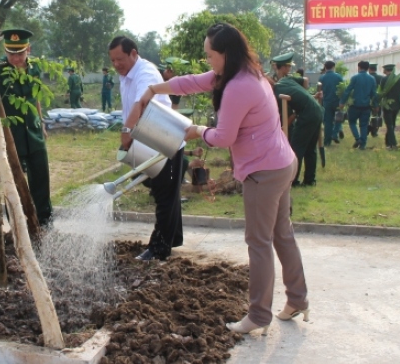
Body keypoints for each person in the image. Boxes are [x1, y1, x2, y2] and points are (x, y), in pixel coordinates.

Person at [140, 22, 308, 334]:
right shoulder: (244, 73)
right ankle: (298, 298)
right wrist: (155, 89)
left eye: (210, 55)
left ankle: (259, 315)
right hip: (282, 162)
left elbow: (223, 137)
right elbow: (191, 83)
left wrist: (197, 131)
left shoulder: (238, 86)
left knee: (259, 242)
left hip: (264, 172)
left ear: (226, 54)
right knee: (282, 233)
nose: (208, 62)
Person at [108, 35, 184, 261]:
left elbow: (142, 103)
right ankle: (174, 236)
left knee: (164, 196)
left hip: (165, 141)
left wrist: (126, 133)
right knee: (166, 192)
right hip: (151, 140)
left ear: (133, 53)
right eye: (112, 60)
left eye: (120, 59)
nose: (116, 65)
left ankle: (159, 249)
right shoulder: (127, 74)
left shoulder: (146, 72)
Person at [0, 29, 53, 226]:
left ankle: (45, 220)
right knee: (13, 181)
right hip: (11, 136)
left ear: (28, 49)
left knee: (41, 177)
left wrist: (42, 123)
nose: (15, 58)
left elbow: (36, 98)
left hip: (34, 132)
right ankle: (17, 221)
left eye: (20, 53)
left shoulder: (35, 70)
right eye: (11, 53)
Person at [272, 53, 322, 186]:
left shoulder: (279, 88)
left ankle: (292, 180)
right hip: (316, 110)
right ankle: (310, 180)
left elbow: (285, 111)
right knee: (310, 149)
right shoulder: (288, 81)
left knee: (296, 148)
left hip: (307, 114)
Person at [339, 60, 377, 150]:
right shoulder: (372, 79)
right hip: (366, 106)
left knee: (352, 122)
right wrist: (375, 105)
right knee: (363, 125)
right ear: (368, 68)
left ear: (359, 67)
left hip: (354, 106)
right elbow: (374, 94)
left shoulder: (355, 78)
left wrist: (342, 102)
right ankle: (362, 145)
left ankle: (357, 138)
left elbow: (348, 91)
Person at [376, 64, 400, 150]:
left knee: (389, 125)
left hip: (387, 105)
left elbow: (381, 92)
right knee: (392, 124)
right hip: (397, 105)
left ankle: (393, 144)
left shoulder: (384, 79)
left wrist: (377, 103)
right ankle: (388, 143)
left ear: (385, 70)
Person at [318, 61, 344, 145]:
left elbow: (319, 91)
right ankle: (334, 134)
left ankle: (327, 141)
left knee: (328, 122)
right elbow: (342, 89)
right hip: (337, 102)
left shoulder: (322, 78)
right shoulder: (339, 77)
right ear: (333, 67)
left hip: (326, 102)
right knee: (338, 119)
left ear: (325, 67)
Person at [367, 62, 384, 137]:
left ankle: (367, 129)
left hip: (367, 100)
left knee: (367, 116)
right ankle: (374, 131)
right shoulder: (381, 78)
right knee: (377, 115)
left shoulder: (367, 77)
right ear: (376, 69)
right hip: (378, 100)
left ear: (369, 69)